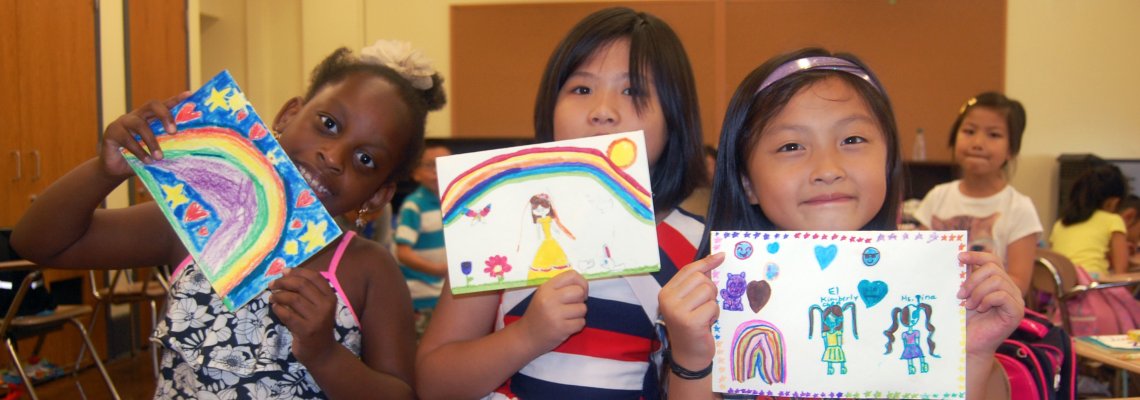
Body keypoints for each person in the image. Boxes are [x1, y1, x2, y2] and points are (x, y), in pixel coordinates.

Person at [11, 40, 447, 399]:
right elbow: (39, 243)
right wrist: (103, 172)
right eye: (328, 124)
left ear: (379, 194)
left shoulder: (369, 269)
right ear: (288, 115)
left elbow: (399, 394)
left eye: (366, 159)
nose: (332, 157)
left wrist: (324, 354)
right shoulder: (201, 220)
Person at [659, 48, 1023, 399]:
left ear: (888, 160)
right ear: (747, 182)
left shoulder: (930, 294)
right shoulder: (719, 300)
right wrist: (692, 356)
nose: (828, 170)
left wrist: (972, 356)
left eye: (852, 139)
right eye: (791, 146)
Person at [416, 7, 708, 399]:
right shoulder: (495, 225)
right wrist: (528, 336)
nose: (603, 112)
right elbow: (434, 384)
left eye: (633, 91)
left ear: (674, 116)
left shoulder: (701, 248)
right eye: (581, 89)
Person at [913, 92, 1042, 295]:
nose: (978, 143)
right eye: (969, 131)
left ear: (1011, 150)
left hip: (990, 314)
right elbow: (918, 257)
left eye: (994, 135)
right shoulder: (937, 197)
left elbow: (1019, 283)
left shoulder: (1019, 208)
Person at [1048, 164, 1140, 335]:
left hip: (1062, 305)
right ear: (1113, 202)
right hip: (1094, 297)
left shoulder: (1060, 224)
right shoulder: (1112, 220)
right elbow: (1122, 274)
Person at [394, 141, 451, 335]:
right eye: (430, 165)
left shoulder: (454, 202)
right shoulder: (414, 205)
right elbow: (403, 252)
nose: (438, 171)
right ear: (416, 173)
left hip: (445, 292)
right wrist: (437, 270)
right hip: (422, 293)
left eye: (444, 163)